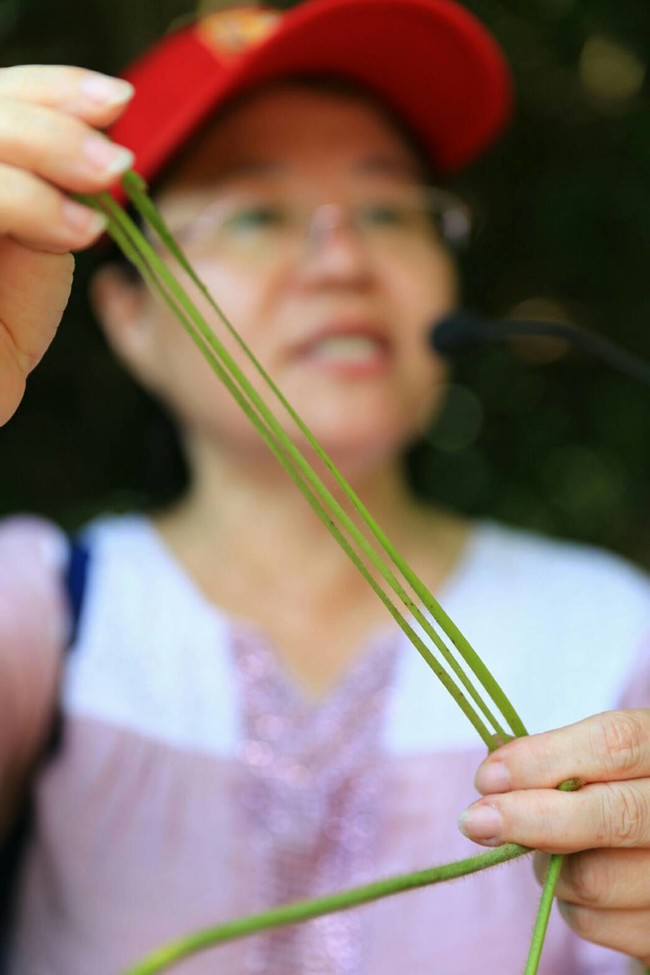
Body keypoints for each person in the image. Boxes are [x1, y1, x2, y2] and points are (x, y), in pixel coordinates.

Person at [2, 1, 650, 972]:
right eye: (257, 212)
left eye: (389, 208)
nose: (343, 260)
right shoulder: (37, 611)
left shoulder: (613, 633)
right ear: (126, 316)